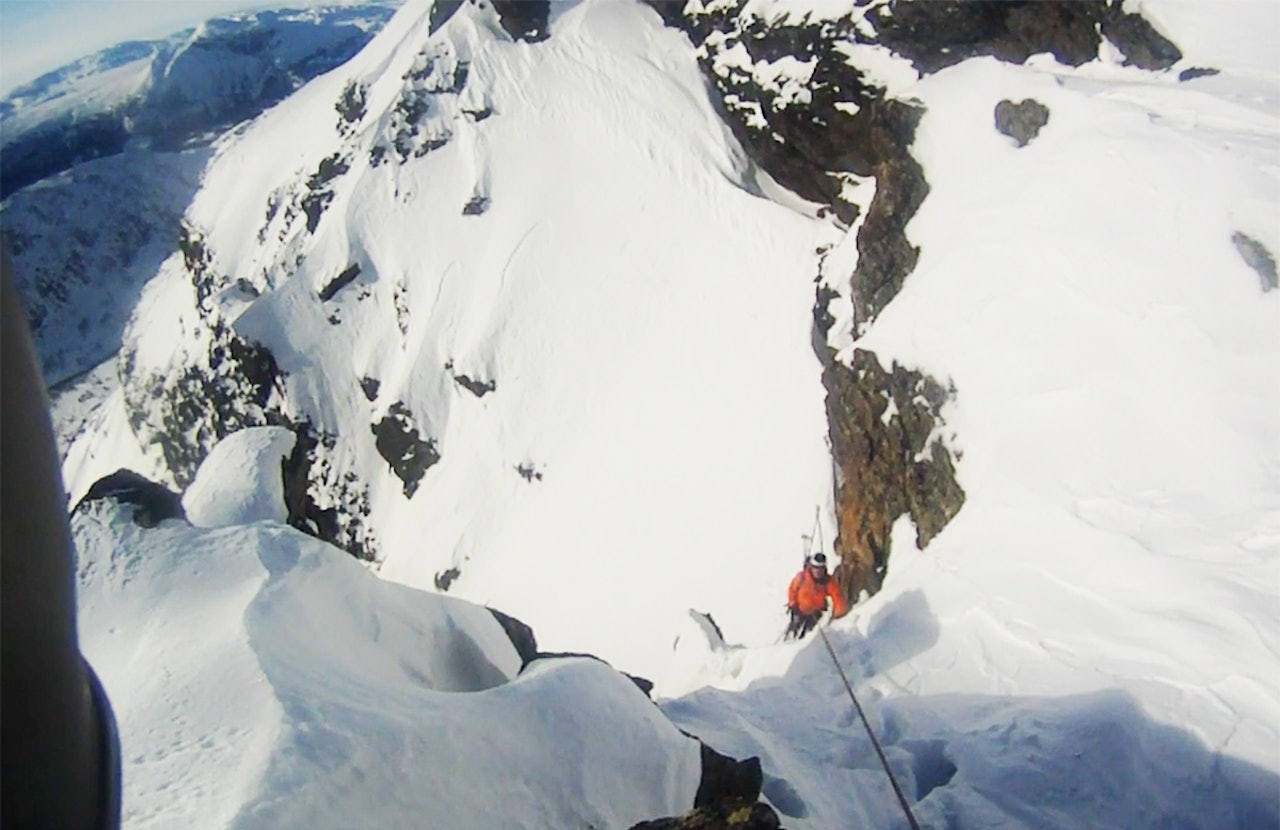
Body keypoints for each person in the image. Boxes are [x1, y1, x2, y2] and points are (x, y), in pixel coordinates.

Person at [785, 552, 848, 640]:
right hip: (799, 609)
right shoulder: (802, 577)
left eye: (820, 568)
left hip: (815, 613)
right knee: (794, 628)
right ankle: (787, 641)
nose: (818, 571)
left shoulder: (828, 582)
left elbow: (837, 596)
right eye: (815, 568)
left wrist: (839, 614)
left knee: (807, 635)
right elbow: (792, 590)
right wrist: (792, 604)